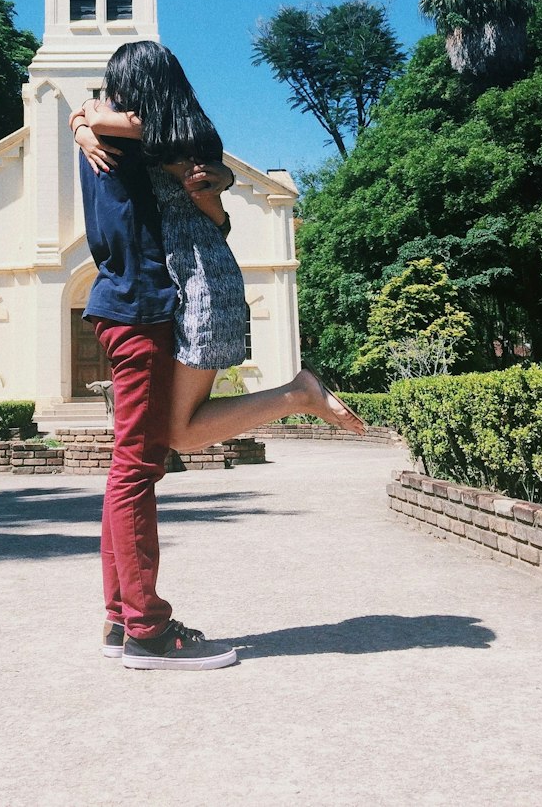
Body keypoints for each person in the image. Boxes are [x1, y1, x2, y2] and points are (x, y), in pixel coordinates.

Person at [71, 41, 363, 671]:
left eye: (118, 89)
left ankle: (130, 619)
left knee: (139, 463)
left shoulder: (154, 136)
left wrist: (86, 118)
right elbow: (132, 127)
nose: (109, 100)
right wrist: (80, 118)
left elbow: (204, 192)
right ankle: (140, 626)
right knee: (138, 467)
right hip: (138, 304)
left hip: (164, 295)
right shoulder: (117, 134)